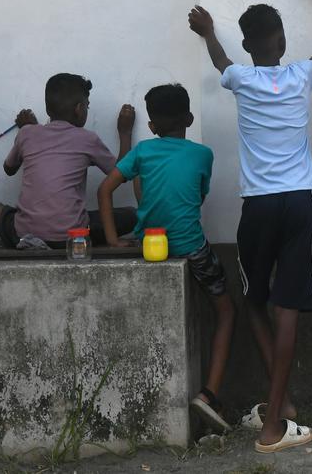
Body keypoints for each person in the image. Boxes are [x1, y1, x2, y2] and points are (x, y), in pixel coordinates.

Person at [188, 0, 312, 453]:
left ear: (252, 46)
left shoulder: (242, 79)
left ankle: (281, 406)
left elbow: (219, 60)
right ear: (280, 41)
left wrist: (209, 31)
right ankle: (276, 421)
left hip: (259, 206)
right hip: (300, 203)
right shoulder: (300, 75)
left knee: (254, 300)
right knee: (287, 308)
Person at [95, 83, 234, 434]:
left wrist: (113, 240)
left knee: (142, 182)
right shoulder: (203, 154)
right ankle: (209, 393)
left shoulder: (142, 150)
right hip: (190, 246)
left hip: (149, 244)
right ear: (188, 118)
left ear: (152, 126)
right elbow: (195, 199)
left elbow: (104, 189)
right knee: (228, 311)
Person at [0, 73, 138, 248]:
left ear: (47, 109)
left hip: (23, 233)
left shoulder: (27, 133)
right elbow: (120, 172)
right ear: (79, 109)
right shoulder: (87, 139)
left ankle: (33, 238)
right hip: (73, 237)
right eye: (87, 107)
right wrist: (125, 132)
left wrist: (28, 129)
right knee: (131, 215)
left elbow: (9, 168)